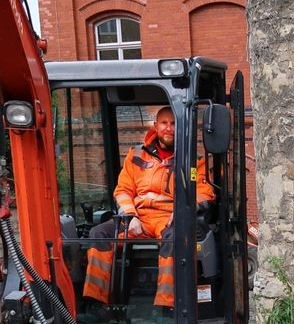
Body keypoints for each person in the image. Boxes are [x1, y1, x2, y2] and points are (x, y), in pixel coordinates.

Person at [83, 106, 213, 311]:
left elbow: (204, 192)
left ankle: (166, 308)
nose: (168, 128)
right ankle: (95, 303)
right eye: (164, 123)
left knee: (176, 237)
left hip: (168, 219)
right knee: (99, 233)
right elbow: (123, 190)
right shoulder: (136, 155)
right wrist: (130, 217)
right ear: (155, 126)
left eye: (173, 123)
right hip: (138, 218)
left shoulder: (193, 161)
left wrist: (180, 211)